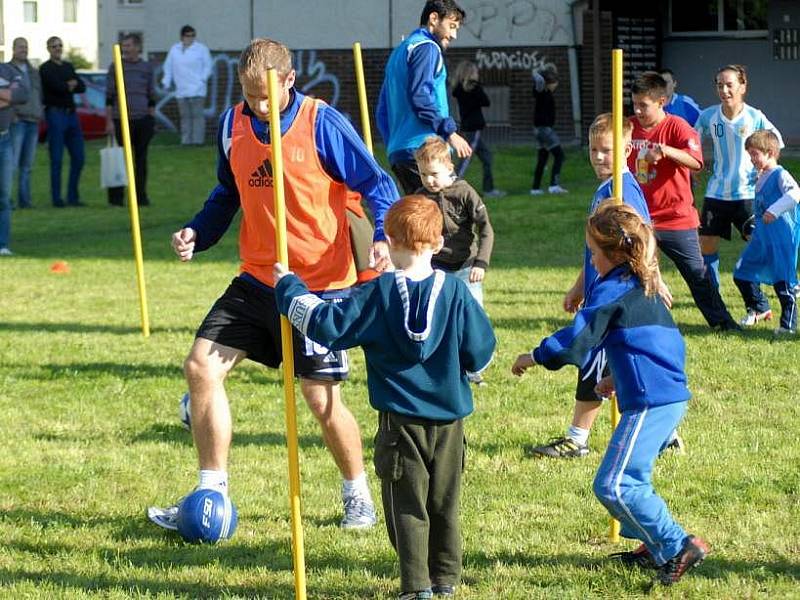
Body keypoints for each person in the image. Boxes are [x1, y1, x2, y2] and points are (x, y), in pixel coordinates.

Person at [146, 38, 399, 532]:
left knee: (321, 400)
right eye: (249, 95)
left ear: (289, 81)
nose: (258, 106)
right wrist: (198, 233)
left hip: (318, 288)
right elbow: (227, 193)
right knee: (200, 367)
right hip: (257, 279)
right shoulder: (232, 124)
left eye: (266, 96)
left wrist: (384, 235)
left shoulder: (322, 123)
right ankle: (210, 493)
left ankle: (358, 495)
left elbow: (379, 185)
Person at [273, 195, 496, 600]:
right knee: (445, 503)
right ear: (438, 240)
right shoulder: (458, 293)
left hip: (400, 423)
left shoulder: (377, 294)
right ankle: (445, 580)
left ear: (389, 240)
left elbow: (328, 326)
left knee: (407, 506)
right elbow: (481, 353)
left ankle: (416, 588)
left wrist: (288, 288)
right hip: (450, 421)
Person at [512, 202, 711, 587]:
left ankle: (677, 545)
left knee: (616, 484)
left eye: (592, 252)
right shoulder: (636, 283)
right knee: (625, 480)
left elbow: (576, 340)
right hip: (655, 395)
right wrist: (618, 378)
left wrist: (534, 356)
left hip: (653, 401)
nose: (590, 260)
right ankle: (654, 546)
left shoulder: (617, 288)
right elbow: (655, 344)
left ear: (614, 253)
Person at [530, 113, 674, 458]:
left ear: (626, 149)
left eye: (606, 150)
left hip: (616, 295)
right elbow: (596, 246)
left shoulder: (622, 191)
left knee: (594, 361)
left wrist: (654, 276)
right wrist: (580, 285)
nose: (597, 157)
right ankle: (665, 435)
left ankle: (576, 439)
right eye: (593, 149)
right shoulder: (604, 188)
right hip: (600, 289)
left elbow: (642, 237)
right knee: (624, 365)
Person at [629, 71, 739, 331]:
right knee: (628, 272)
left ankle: (723, 324)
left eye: (643, 105)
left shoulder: (677, 126)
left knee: (697, 275)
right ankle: (634, 323)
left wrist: (665, 151)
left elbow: (697, 162)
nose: (637, 110)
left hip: (676, 219)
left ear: (661, 101)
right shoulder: (628, 127)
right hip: (639, 218)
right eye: (634, 103)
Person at [694, 64, 783, 295]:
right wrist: (694, 165)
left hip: (747, 194)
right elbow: (693, 141)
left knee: (759, 245)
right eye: (719, 85)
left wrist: (767, 170)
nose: (724, 90)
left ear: (743, 86)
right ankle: (712, 295)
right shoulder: (709, 116)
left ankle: (780, 285)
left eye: (729, 85)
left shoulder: (755, 117)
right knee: (707, 245)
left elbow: (776, 143)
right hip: (716, 193)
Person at [377, 0, 472, 195]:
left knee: (422, 220)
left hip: (400, 153)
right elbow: (421, 95)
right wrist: (449, 133)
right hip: (425, 151)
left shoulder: (400, 52)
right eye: (451, 26)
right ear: (434, 19)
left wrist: (394, 146)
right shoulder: (427, 47)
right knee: (445, 218)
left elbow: (381, 112)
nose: (453, 35)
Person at [733, 130, 800, 335]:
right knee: (741, 272)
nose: (752, 159)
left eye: (755, 154)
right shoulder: (761, 175)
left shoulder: (780, 174)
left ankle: (788, 325)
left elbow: (795, 193)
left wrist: (774, 210)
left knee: (782, 282)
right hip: (762, 239)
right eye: (750, 154)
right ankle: (758, 307)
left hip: (780, 240)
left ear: (770, 152)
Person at [414, 136, 494, 307]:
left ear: (449, 168)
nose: (428, 180)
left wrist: (480, 263)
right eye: (423, 174)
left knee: (472, 310)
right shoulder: (420, 197)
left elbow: (486, 228)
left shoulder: (465, 193)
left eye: (434, 174)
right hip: (435, 267)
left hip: (466, 266)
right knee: (437, 310)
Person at [105, 33, 156, 207]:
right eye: (123, 46)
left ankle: (140, 196)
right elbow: (109, 96)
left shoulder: (146, 68)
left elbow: (151, 93)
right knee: (119, 160)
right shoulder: (116, 67)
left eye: (128, 46)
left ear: (137, 47)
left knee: (141, 160)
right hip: (121, 120)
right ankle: (116, 199)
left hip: (142, 119)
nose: (125, 49)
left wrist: (150, 116)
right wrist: (109, 121)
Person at [40, 36, 86, 208]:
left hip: (71, 115)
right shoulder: (45, 69)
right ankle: (57, 199)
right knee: (57, 158)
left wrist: (69, 85)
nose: (57, 48)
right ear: (48, 48)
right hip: (55, 115)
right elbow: (55, 87)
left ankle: (73, 197)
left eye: (60, 45)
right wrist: (69, 85)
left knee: (79, 157)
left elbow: (82, 86)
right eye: (54, 46)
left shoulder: (68, 66)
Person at [450, 60, 504, 197]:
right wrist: (478, 87)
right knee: (466, 159)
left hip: (467, 126)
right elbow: (486, 101)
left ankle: (489, 188)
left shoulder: (459, 89)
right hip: (473, 128)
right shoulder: (474, 88)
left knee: (487, 157)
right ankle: (451, 186)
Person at [161, 25, 213, 145]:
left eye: (192, 35)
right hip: (181, 90)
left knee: (197, 117)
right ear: (182, 37)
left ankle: (197, 142)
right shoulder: (174, 49)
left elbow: (208, 67)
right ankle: (186, 142)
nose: (190, 38)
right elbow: (168, 67)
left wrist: (202, 80)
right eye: (188, 36)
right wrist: (166, 82)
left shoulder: (201, 49)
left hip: (198, 90)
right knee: (185, 117)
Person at [8, 37, 42, 210]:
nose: (24, 50)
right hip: (17, 122)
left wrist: (40, 112)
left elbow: (38, 95)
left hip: (32, 121)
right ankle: (7, 200)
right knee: (12, 165)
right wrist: (10, 114)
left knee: (27, 165)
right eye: (21, 47)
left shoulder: (33, 71)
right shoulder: (6, 70)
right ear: (13, 49)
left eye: (26, 47)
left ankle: (25, 200)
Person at [0, 57, 29, 256]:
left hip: (5, 139)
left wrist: (9, 96)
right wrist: (6, 95)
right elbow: (12, 96)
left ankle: (2, 244)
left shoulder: (8, 71)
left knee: (4, 195)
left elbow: (22, 94)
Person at [529, 64, 567, 196]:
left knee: (543, 157)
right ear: (549, 83)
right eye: (554, 83)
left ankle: (535, 188)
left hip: (540, 130)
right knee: (559, 155)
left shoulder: (547, 93)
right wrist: (541, 69)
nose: (556, 85)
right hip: (544, 130)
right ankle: (554, 185)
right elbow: (537, 78)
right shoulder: (541, 91)